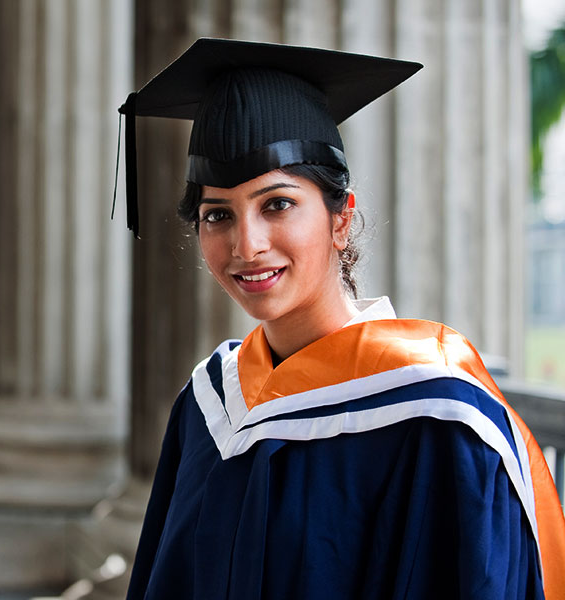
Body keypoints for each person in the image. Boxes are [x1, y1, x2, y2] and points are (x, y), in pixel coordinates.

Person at [119, 39, 565, 600]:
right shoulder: (209, 406)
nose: (246, 244)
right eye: (218, 215)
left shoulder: (436, 419)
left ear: (340, 219)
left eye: (277, 204)